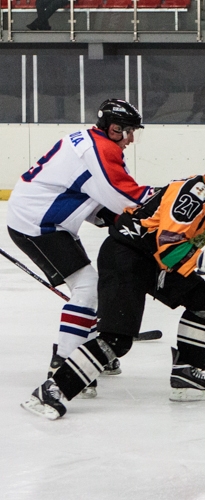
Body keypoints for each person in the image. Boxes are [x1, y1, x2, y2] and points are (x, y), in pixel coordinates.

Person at [21, 149, 205, 420]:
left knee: (204, 298)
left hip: (154, 262)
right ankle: (52, 390)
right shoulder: (191, 195)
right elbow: (170, 249)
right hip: (126, 256)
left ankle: (186, 374)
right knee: (117, 339)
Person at [7, 99, 151, 397]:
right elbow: (124, 195)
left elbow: (83, 189)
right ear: (114, 129)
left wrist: (109, 217)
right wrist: (173, 197)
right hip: (38, 223)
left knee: (91, 287)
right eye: (129, 132)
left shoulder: (88, 139)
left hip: (43, 216)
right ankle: (63, 363)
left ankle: (89, 346)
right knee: (86, 287)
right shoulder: (102, 149)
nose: (132, 139)